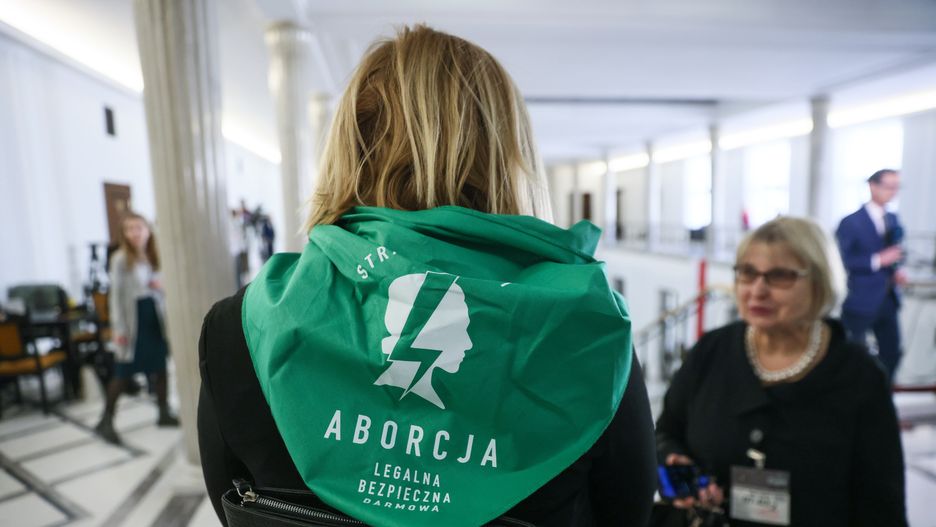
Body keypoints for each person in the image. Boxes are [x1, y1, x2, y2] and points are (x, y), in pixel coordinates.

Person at [198, 25, 655, 527]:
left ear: (349, 147)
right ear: (507, 155)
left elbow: (232, 503)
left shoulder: (240, 327)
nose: (465, 343)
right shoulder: (587, 335)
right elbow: (627, 514)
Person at [655, 216, 907, 526]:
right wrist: (676, 474)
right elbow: (665, 434)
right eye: (748, 273)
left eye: (780, 276)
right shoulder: (711, 351)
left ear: (819, 283)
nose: (757, 290)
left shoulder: (859, 376)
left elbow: (882, 505)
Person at [95, 212, 178, 444]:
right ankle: (106, 420)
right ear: (124, 234)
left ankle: (163, 412)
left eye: (139, 228)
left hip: (153, 316)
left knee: (160, 367)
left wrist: (159, 287)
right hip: (133, 321)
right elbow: (116, 298)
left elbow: (163, 287)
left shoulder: (153, 254)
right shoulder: (120, 259)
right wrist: (118, 330)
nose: (135, 233)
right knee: (123, 373)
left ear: (147, 230)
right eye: (129, 229)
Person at [836, 169, 907, 381]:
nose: (893, 192)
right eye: (889, 186)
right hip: (860, 298)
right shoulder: (850, 222)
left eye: (896, 187)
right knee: (852, 354)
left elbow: (895, 252)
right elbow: (842, 260)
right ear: (873, 186)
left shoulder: (893, 218)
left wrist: (897, 270)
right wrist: (877, 260)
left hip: (888, 298)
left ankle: (883, 395)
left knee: (892, 353)